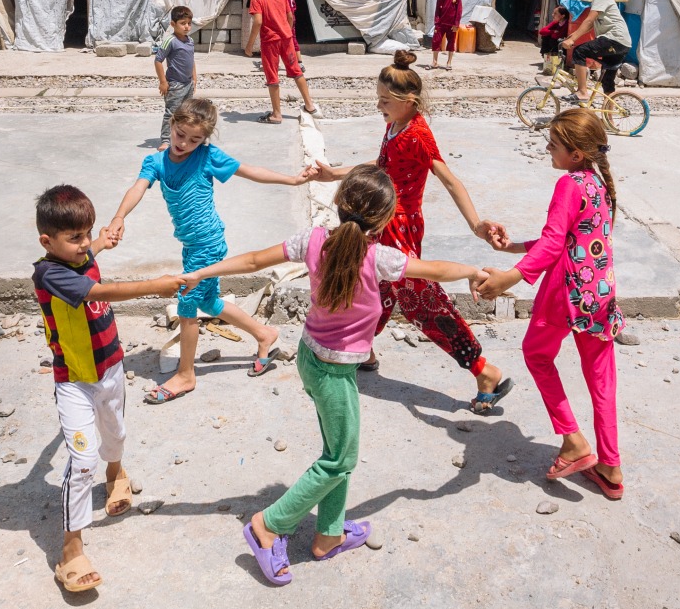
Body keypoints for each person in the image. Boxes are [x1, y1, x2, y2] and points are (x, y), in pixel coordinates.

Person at [184, 166, 485, 585]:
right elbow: (433, 270)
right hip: (334, 372)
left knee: (337, 450)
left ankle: (328, 535)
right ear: (383, 220)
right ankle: (267, 528)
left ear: (340, 203)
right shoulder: (380, 257)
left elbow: (253, 260)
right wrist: (473, 271)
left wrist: (203, 272)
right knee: (340, 458)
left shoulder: (312, 239)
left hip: (310, 357)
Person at [309, 51, 514, 413]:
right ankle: (361, 351)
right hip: (381, 221)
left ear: (410, 102)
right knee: (376, 286)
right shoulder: (394, 125)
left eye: (385, 101)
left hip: (400, 226)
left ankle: (484, 371)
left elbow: (448, 179)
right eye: (378, 98)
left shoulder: (418, 134)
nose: (379, 106)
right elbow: (382, 162)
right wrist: (335, 173)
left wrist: (476, 225)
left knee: (421, 301)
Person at [32, 184, 184, 592]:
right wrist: (156, 285)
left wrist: (104, 238)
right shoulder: (48, 273)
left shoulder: (79, 254)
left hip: (111, 366)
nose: (85, 246)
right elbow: (98, 291)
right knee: (82, 461)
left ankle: (116, 472)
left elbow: (90, 253)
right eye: (75, 238)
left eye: (87, 234)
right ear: (48, 241)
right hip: (74, 381)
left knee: (114, 434)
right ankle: (72, 549)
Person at [106, 98, 307, 403]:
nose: (184, 143)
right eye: (179, 134)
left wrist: (292, 180)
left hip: (209, 243)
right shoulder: (156, 162)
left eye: (194, 139)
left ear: (205, 138)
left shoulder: (207, 157)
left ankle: (186, 375)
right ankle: (265, 334)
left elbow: (249, 170)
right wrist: (119, 217)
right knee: (210, 302)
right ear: (171, 125)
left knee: (187, 306)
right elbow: (137, 187)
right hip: (191, 244)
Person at [474, 108, 625, 500]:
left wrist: (512, 275)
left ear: (575, 153)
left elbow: (556, 245)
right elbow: (566, 236)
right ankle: (610, 466)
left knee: (536, 354)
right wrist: (516, 248)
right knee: (602, 380)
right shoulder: (596, 181)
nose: (547, 149)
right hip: (600, 292)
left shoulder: (568, 184)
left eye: (553, 145)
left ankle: (573, 442)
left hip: (566, 291)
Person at [244, 0, 319, 124]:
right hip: (286, 39)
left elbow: (257, 22)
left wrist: (249, 45)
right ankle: (310, 105)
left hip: (270, 41)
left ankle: (277, 114)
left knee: (272, 77)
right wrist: (287, 30)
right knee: (296, 71)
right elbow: (290, 16)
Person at [562, 0, 632, 101]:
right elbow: (590, 26)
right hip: (623, 43)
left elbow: (588, 20)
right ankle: (609, 119)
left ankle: (582, 92)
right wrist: (572, 36)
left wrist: (572, 41)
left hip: (614, 39)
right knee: (607, 82)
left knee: (579, 52)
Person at [153, 6, 196, 144]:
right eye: (183, 23)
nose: (187, 27)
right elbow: (158, 60)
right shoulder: (169, 41)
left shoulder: (190, 41)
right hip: (175, 85)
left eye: (189, 23)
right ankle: (166, 140)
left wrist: (194, 78)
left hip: (188, 84)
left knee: (186, 113)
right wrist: (163, 82)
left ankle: (182, 137)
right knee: (171, 113)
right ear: (173, 24)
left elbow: (192, 59)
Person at [430, 0, 463, 71]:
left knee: (451, 42)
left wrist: (456, 24)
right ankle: (435, 62)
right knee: (436, 41)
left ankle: (449, 62)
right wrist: (436, 22)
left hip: (451, 25)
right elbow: (437, 10)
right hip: (440, 24)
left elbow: (459, 10)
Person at [536, 5, 572, 75]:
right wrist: (552, 31)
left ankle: (558, 60)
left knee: (556, 40)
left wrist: (553, 33)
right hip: (555, 41)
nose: (553, 15)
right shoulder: (556, 23)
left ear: (562, 16)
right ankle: (546, 56)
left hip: (563, 44)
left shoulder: (567, 24)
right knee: (545, 37)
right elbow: (542, 31)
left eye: (555, 13)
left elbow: (557, 35)